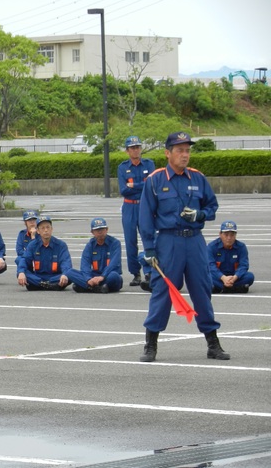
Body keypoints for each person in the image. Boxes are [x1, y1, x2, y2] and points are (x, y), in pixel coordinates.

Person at [138, 131, 229, 362]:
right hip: (168, 241)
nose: (185, 154)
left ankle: (213, 343)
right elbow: (145, 217)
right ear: (168, 153)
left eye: (187, 150)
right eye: (180, 150)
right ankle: (151, 344)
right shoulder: (155, 180)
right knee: (163, 291)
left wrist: (200, 214)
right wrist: (149, 248)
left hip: (195, 240)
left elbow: (212, 206)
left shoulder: (198, 178)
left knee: (202, 289)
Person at [117, 136, 155, 287]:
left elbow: (151, 186)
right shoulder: (122, 167)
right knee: (130, 241)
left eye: (138, 147)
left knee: (148, 238)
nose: (136, 150)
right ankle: (135, 273)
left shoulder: (149, 164)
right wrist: (141, 184)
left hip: (145, 205)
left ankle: (150, 271)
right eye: (132, 148)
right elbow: (124, 190)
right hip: (129, 206)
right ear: (127, 151)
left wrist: (133, 185)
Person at [17, 215, 73, 291]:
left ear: (52, 229)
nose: (46, 230)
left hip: (55, 276)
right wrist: (21, 272)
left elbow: (66, 262)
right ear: (38, 231)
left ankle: (41, 285)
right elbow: (25, 259)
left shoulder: (61, 245)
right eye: (42, 228)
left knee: (70, 274)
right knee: (23, 273)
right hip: (38, 276)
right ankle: (47, 285)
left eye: (48, 227)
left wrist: (64, 274)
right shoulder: (32, 245)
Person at [69, 217, 123, 294]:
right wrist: (88, 279)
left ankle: (87, 287)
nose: (100, 232)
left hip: (108, 276)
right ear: (92, 232)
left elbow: (114, 264)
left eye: (102, 229)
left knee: (115, 276)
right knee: (70, 272)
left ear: (107, 229)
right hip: (94, 276)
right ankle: (97, 288)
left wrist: (102, 276)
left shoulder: (115, 243)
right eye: (97, 230)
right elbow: (85, 265)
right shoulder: (90, 245)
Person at [207, 220, 255, 293]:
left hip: (234, 277)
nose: (229, 238)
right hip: (218, 277)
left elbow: (244, 265)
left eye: (232, 235)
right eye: (226, 234)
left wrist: (234, 278)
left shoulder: (241, 247)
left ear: (235, 235)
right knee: (204, 276)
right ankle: (235, 288)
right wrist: (223, 278)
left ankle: (221, 288)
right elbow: (210, 266)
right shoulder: (211, 247)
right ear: (220, 234)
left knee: (249, 276)